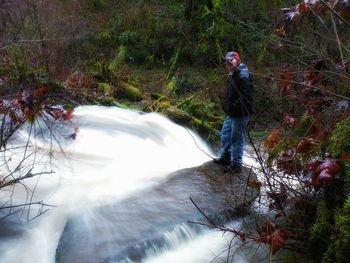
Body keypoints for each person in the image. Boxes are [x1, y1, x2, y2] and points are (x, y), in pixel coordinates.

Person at [214, 51, 254, 173]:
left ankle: (236, 165)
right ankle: (225, 157)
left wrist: (233, 106)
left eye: (231, 60)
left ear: (237, 60)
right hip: (232, 113)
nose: (228, 62)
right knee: (225, 134)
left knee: (237, 139)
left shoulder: (243, 74)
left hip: (240, 113)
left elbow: (245, 96)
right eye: (227, 60)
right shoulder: (234, 73)